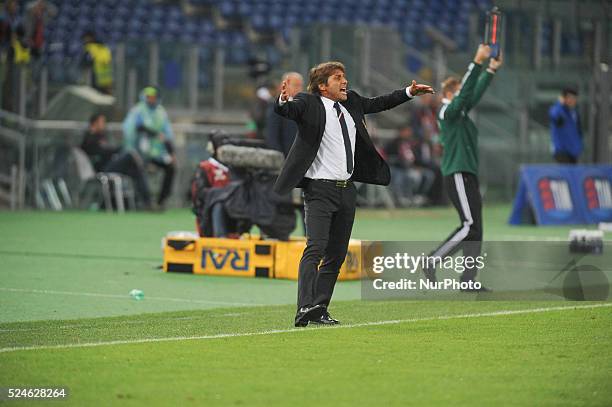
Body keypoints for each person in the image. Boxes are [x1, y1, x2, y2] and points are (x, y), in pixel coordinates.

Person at [274, 61, 433, 326]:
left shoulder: (351, 103)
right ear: (323, 86)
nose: (344, 81)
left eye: (344, 77)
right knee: (315, 248)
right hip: (319, 189)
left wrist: (408, 92)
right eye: (337, 78)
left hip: (347, 189)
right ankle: (304, 307)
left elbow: (378, 103)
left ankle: (319, 308)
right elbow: (289, 110)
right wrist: (282, 101)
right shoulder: (309, 103)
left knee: (336, 254)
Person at [424, 44, 502, 291]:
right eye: (459, 91)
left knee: (476, 228)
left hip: (467, 173)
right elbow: (468, 94)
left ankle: (468, 280)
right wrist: (476, 63)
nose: (464, 95)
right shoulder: (447, 111)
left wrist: (490, 70)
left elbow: (473, 93)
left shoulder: (460, 113)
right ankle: (432, 260)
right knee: (469, 225)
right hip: (457, 172)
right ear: (450, 92)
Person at [81, 113, 151, 208]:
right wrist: (116, 149)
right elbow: (102, 152)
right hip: (102, 169)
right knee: (129, 155)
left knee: (136, 171)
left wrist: (115, 150)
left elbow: (109, 150)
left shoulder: (101, 136)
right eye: (102, 122)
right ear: (94, 123)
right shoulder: (89, 138)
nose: (103, 124)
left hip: (111, 165)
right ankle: (141, 163)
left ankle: (147, 203)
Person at [122, 86, 176, 209]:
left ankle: (161, 201)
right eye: (149, 97)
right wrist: (155, 134)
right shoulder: (137, 111)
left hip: (157, 154)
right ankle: (147, 202)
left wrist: (172, 153)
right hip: (139, 153)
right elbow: (136, 128)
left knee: (171, 168)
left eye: (153, 97)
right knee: (139, 171)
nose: (151, 100)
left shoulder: (161, 113)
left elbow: (167, 135)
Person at [384, 125, 435, 206]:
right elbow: (390, 158)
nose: (409, 133)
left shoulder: (410, 143)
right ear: (401, 132)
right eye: (407, 131)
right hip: (397, 168)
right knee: (405, 177)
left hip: (410, 167)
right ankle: (402, 198)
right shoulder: (393, 143)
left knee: (427, 175)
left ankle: (417, 196)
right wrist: (406, 166)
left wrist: (416, 166)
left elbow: (414, 158)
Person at [265, 72, 303, 156]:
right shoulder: (277, 106)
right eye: (296, 85)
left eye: (300, 85)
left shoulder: (304, 106)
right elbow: (272, 137)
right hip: (286, 158)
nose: (299, 89)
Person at [549, 88, 582, 164]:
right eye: (570, 98)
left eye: (574, 98)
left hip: (574, 151)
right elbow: (555, 116)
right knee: (565, 173)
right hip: (561, 151)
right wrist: (559, 104)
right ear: (564, 98)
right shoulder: (557, 110)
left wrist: (579, 147)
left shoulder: (574, 113)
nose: (572, 100)